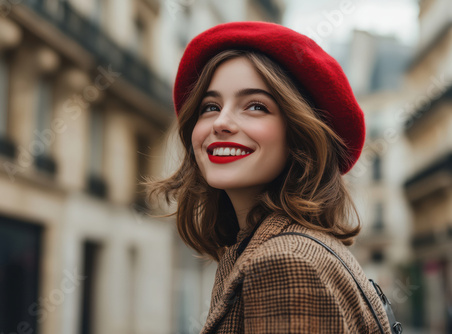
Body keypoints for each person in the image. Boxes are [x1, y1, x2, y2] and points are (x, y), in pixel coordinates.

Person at [147, 21, 392, 333]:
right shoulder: (279, 246)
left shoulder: (286, 262)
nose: (221, 122)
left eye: (255, 106)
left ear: (300, 135)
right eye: (210, 106)